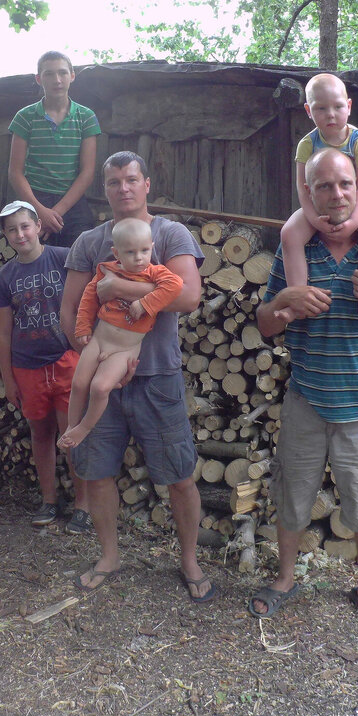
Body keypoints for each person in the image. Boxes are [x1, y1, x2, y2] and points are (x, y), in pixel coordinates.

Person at [251, 148, 358, 625]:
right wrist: (285, 299)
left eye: (345, 184)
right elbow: (266, 324)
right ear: (309, 192)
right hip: (307, 398)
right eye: (325, 186)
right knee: (292, 495)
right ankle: (286, 577)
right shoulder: (297, 250)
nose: (337, 194)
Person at [60, 151, 216, 602]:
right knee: (96, 472)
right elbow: (70, 309)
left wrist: (122, 288)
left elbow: (187, 297)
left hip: (156, 376)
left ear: (147, 184)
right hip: (102, 377)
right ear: (105, 190)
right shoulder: (89, 243)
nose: (123, 188)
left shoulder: (170, 234)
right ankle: (109, 556)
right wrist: (92, 350)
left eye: (131, 179)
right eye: (114, 182)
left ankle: (188, 559)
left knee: (180, 474)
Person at [0, 199, 92, 532]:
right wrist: (9, 379)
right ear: (5, 235)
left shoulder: (64, 260)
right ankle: (49, 499)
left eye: (25, 226)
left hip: (66, 360)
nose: (20, 234)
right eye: (12, 230)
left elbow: (88, 303)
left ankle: (83, 504)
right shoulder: (4, 278)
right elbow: (3, 332)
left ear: (38, 226)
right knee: (41, 434)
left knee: (71, 433)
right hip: (27, 367)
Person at [58, 217, 183, 451]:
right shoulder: (107, 270)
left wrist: (145, 304)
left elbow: (175, 286)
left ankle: (84, 427)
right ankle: (70, 427)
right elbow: (88, 297)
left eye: (145, 250)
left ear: (152, 247)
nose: (139, 258)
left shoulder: (155, 273)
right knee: (79, 382)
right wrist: (83, 328)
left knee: (100, 387)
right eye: (130, 252)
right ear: (116, 252)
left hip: (124, 349)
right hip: (99, 340)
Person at [278, 73, 358, 322]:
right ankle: (296, 298)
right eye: (321, 108)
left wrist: (354, 221)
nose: (331, 114)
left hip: (356, 205)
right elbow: (302, 186)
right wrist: (313, 218)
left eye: (338, 106)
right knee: (289, 234)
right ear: (308, 110)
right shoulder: (307, 144)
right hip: (318, 207)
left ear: (348, 107)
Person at [8, 51, 100, 248]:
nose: (57, 80)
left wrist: (55, 213)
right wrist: (41, 212)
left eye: (63, 73)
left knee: (81, 259)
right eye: (49, 74)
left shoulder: (86, 117)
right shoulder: (25, 117)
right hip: (34, 199)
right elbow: (15, 172)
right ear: (39, 79)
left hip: (72, 202)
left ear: (72, 76)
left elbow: (87, 172)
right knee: (33, 262)